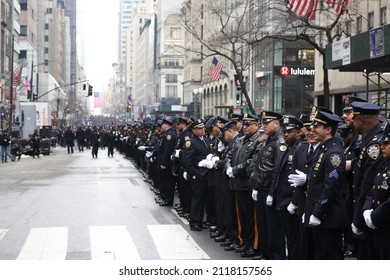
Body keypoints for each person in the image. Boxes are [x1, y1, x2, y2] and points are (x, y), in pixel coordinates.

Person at [290, 109, 348, 259]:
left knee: (331, 256)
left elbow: (330, 187)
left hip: (328, 217)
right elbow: (315, 184)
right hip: (320, 215)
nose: (312, 129)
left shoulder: (334, 152)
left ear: (328, 130)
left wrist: (316, 213)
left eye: (317, 126)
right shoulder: (324, 149)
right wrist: (309, 211)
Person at [249, 111, 287, 260]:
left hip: (270, 192)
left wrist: (272, 193)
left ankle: (276, 259)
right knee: (263, 228)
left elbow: (277, 171)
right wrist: (256, 187)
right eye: (263, 123)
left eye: (267, 123)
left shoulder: (279, 142)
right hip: (261, 189)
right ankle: (266, 257)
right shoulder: (268, 140)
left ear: (276, 124)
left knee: (274, 231)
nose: (263, 126)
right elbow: (260, 165)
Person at [350, 101, 384, 259]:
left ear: (361, 120)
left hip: (370, 214)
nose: (351, 121)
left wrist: (358, 220)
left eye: (353, 118)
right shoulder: (369, 139)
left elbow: (367, 185)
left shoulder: (374, 145)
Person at [226, 113, 260, 257]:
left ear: (257, 125)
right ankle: (245, 241)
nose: (245, 127)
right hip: (237, 184)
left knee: (252, 219)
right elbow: (229, 155)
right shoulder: (240, 140)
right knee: (242, 217)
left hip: (247, 184)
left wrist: (235, 170)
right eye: (244, 125)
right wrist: (228, 167)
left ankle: (253, 245)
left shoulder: (258, 140)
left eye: (249, 125)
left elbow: (252, 161)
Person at [272, 116, 303, 260]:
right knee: (289, 237)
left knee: (294, 238)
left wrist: (294, 201)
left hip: (291, 200)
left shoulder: (300, 148)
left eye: (290, 132)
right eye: (285, 132)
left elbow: (296, 179)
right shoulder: (289, 147)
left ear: (299, 132)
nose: (286, 134)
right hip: (283, 199)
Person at [362, 129, 390, 259]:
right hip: (381, 228)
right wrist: (367, 209)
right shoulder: (385, 164)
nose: (381, 146)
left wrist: (375, 216)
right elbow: (373, 188)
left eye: (386, 143)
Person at [182, 119, 211, 231]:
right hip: (197, 175)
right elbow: (187, 160)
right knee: (197, 199)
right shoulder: (191, 141)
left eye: (203, 128)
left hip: (205, 174)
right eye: (200, 128)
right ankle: (194, 221)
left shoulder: (205, 140)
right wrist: (192, 174)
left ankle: (200, 220)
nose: (203, 130)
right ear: (194, 130)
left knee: (203, 199)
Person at [156, 118, 177, 206]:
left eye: (163, 124)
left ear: (166, 125)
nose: (162, 126)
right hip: (163, 161)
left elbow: (167, 151)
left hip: (167, 163)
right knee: (164, 181)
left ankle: (168, 199)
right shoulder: (166, 134)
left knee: (168, 182)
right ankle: (164, 197)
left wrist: (164, 163)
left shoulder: (170, 135)